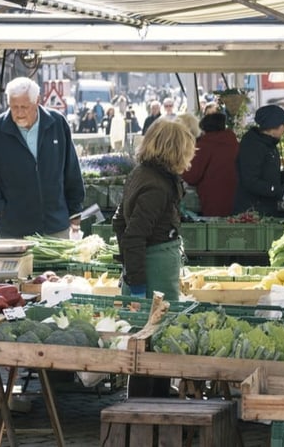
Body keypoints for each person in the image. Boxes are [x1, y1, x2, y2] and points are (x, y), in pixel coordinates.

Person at [112, 119, 195, 398]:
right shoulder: (156, 186)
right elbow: (134, 235)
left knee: (148, 339)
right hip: (154, 270)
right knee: (151, 341)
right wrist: (136, 283)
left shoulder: (142, 173)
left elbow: (118, 222)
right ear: (176, 150)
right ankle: (148, 404)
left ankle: (156, 398)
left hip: (151, 266)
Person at [0, 77, 85, 239]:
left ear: (37, 102)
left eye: (24, 107)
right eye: (14, 107)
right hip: (15, 230)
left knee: (56, 265)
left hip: (56, 227)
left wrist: (75, 210)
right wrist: (2, 209)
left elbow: (72, 170)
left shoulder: (57, 123)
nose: (19, 113)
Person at [232, 104, 284, 216]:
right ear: (273, 126)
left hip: (266, 209)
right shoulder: (253, 145)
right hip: (251, 211)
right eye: (283, 125)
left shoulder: (270, 144)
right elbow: (251, 181)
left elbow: (268, 176)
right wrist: (281, 193)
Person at [182, 113, 239, 217]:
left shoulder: (204, 146)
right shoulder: (233, 143)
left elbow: (192, 176)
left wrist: (180, 169)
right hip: (235, 197)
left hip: (213, 199)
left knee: (215, 230)